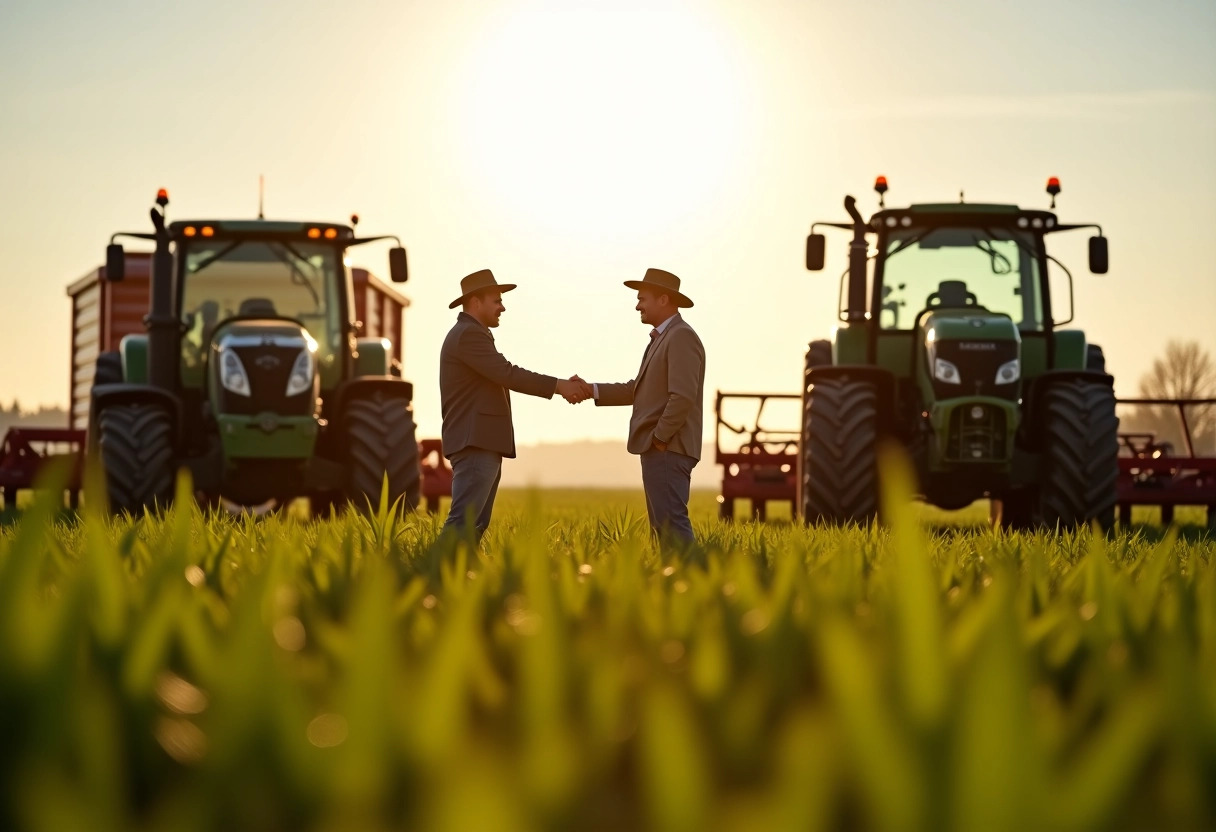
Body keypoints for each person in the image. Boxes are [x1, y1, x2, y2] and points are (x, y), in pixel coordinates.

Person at [439, 268, 590, 541]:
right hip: (475, 443)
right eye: (496, 301)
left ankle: (456, 577)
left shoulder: (472, 334)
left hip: (480, 442)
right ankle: (433, 575)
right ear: (475, 302)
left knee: (474, 526)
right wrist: (559, 386)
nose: (502, 307)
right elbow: (507, 373)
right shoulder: (468, 336)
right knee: (464, 524)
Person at [589, 268, 705, 546]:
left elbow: (683, 396)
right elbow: (638, 388)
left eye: (642, 298)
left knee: (671, 525)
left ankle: (689, 579)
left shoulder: (680, 337)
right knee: (662, 529)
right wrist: (592, 390)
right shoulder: (663, 338)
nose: (637, 305)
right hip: (663, 448)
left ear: (663, 300)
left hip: (669, 447)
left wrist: (660, 438)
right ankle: (674, 580)